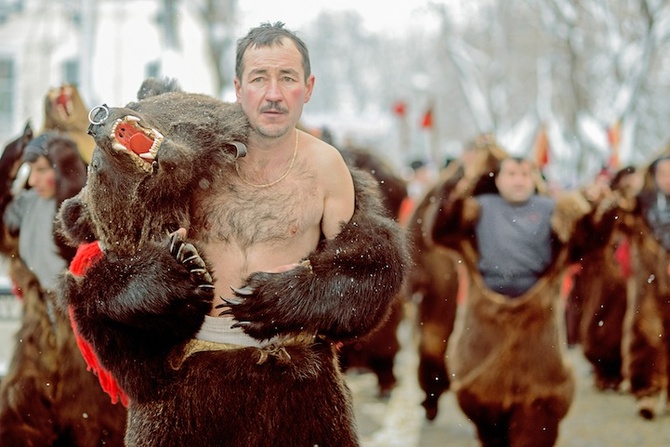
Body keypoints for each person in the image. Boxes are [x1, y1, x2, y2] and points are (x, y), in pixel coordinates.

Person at [193, 21, 356, 346]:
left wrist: (307, 284)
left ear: (308, 87)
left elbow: (349, 274)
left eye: (287, 78)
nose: (273, 95)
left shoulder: (328, 166)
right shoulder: (197, 161)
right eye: (259, 79)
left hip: (287, 357)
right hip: (197, 352)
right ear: (239, 88)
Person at [0, 129, 126, 445]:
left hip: (79, 320)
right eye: (32, 171)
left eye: (43, 169)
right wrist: (6, 166)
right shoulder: (27, 205)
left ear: (60, 169)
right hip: (40, 318)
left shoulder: (85, 209)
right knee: (24, 409)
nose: (34, 180)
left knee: (88, 411)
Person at [472, 156, 554, 297]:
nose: (518, 181)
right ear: (497, 180)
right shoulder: (480, 206)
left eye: (525, 174)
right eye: (511, 174)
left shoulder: (551, 208)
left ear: (534, 179)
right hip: (488, 292)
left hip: (538, 292)